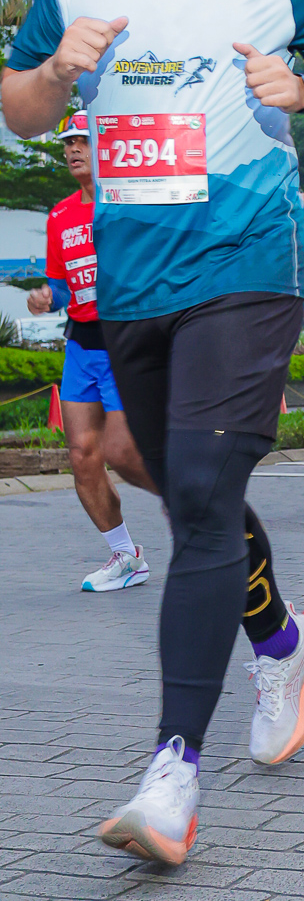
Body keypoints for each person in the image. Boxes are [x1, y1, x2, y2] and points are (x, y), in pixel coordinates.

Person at [2, 0, 304, 865]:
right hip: (134, 283)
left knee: (207, 496)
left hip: (246, 266)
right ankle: (282, 641)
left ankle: (173, 772)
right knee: (176, 483)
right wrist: (54, 74)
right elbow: (20, 111)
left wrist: (302, 88)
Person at [26, 111, 155, 591]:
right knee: (82, 455)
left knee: (124, 452)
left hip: (125, 340)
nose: (74, 149)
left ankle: (202, 517)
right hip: (82, 344)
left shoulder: (129, 205)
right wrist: (47, 297)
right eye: (67, 143)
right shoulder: (59, 215)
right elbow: (61, 286)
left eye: (83, 140)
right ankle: (126, 556)